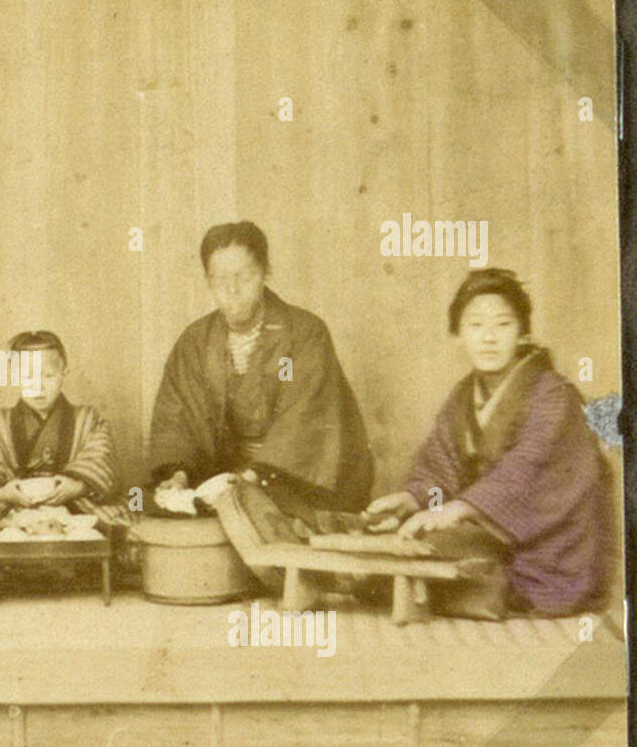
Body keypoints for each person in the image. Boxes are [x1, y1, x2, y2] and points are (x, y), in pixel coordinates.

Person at [364, 269, 613, 616]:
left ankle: (477, 589)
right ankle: (464, 587)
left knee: (413, 556)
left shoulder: (555, 395)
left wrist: (456, 510)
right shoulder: (464, 395)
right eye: (475, 326)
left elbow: (525, 470)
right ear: (458, 335)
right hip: (491, 529)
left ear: (523, 332)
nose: (489, 338)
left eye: (502, 324)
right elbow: (440, 466)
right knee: (398, 549)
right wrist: (410, 499)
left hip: (552, 546)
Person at [149, 221, 373, 520]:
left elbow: (305, 420)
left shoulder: (305, 333)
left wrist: (251, 480)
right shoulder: (195, 342)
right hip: (223, 479)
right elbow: (177, 420)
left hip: (298, 478)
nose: (231, 290)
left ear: (265, 272)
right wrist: (179, 476)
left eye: (243, 276)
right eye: (218, 279)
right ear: (207, 280)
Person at [0, 331, 128, 530]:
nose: (38, 386)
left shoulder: (88, 419)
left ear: (64, 373)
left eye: (48, 375)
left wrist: (78, 487)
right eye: (27, 376)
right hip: (13, 509)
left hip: (75, 507)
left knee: (127, 512)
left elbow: (102, 457)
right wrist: (4, 493)